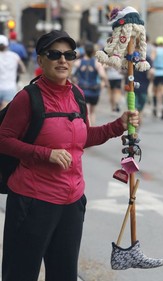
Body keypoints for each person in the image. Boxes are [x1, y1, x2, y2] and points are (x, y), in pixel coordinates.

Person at [0, 30, 139, 281]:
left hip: (71, 203)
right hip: (32, 202)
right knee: (20, 274)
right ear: (41, 61)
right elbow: (3, 140)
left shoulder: (77, 94)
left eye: (69, 54)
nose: (62, 60)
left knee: (64, 275)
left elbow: (82, 138)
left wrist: (118, 125)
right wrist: (45, 153)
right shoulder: (27, 98)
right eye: (54, 54)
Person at [73, 42, 109, 125]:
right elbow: (103, 75)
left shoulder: (78, 62)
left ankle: (88, 130)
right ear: (93, 51)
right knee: (92, 112)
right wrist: (105, 83)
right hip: (94, 91)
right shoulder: (96, 63)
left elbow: (71, 75)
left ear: (84, 50)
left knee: (87, 112)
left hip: (82, 90)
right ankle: (92, 129)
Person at [0, 34, 26, 109]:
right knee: (4, 112)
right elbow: (23, 70)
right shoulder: (14, 56)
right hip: (10, 87)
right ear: (7, 45)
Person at [150, 36, 163, 120]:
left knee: (155, 91)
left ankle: (155, 107)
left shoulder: (155, 50)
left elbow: (152, 59)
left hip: (156, 71)